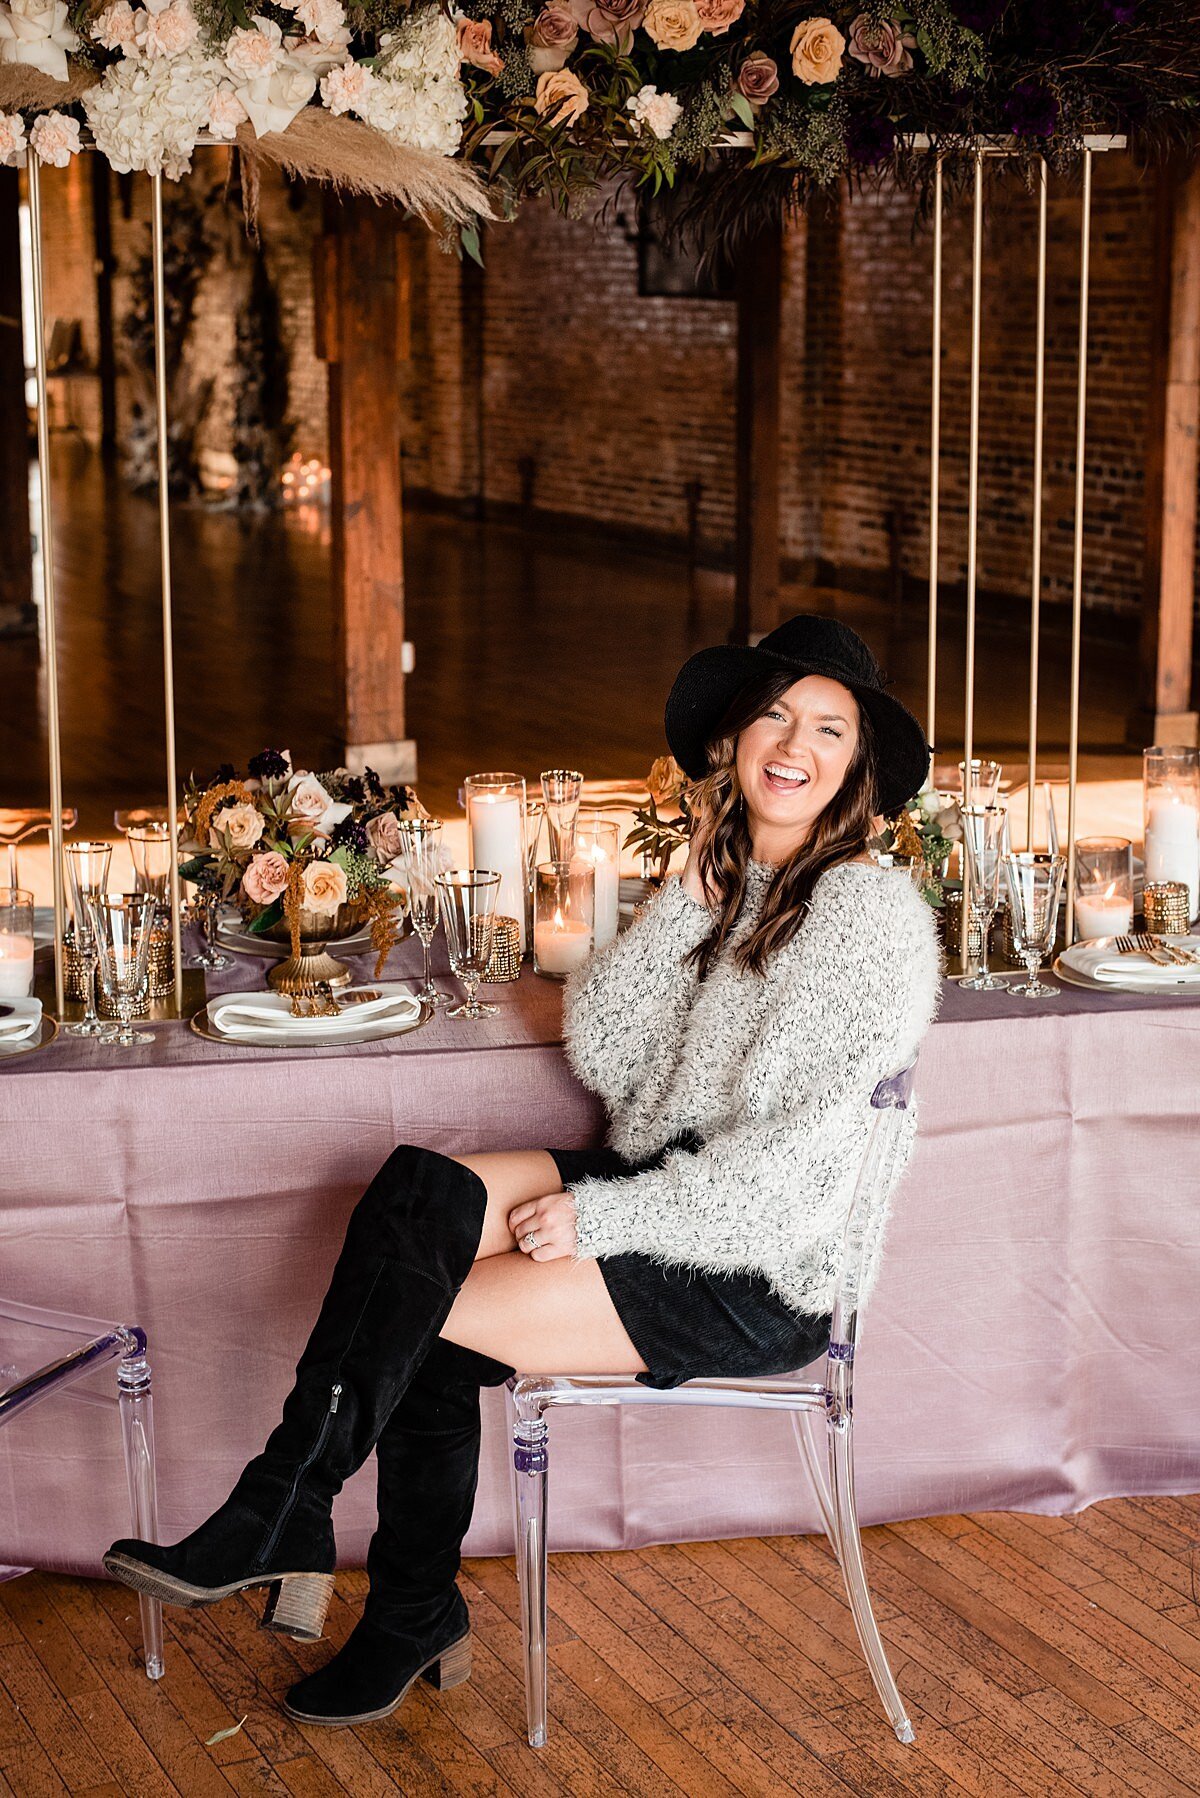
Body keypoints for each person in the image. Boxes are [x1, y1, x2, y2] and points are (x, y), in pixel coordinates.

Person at [105, 613, 942, 1728]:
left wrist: (603, 1218)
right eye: (775, 714)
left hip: (753, 1267)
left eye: (829, 729)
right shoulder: (732, 882)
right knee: (418, 1191)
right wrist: (682, 901)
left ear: (856, 771)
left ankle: (389, 1595)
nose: (794, 742)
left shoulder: (867, 916)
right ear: (736, 740)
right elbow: (605, 1051)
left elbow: (789, 1187)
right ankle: (292, 1510)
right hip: (667, 1194)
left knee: (426, 1308)